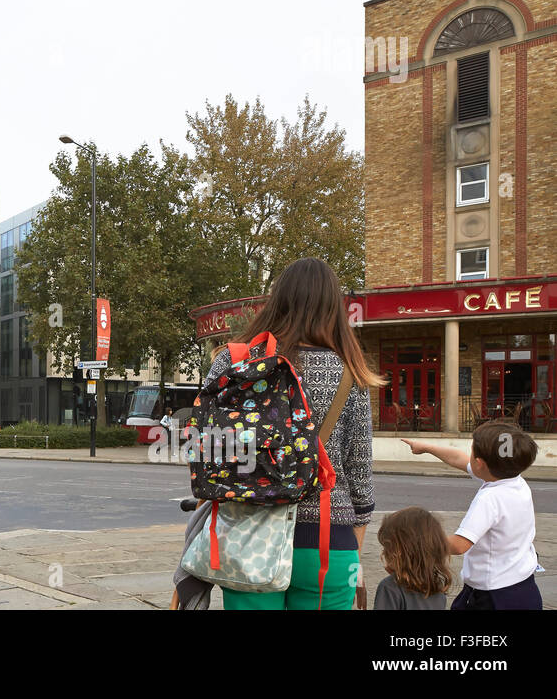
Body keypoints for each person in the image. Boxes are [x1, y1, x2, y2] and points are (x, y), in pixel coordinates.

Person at [206, 257, 383, 611]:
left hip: (247, 530)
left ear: (277, 301)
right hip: (327, 539)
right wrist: (353, 546)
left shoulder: (234, 362)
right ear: (334, 307)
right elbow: (359, 472)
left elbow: (209, 450)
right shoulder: (351, 372)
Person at [404, 421, 542, 610]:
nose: (468, 457)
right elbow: (459, 459)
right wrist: (426, 447)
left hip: (493, 595)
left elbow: (460, 545)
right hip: (523, 586)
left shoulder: (490, 498)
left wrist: (420, 541)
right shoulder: (515, 481)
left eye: (472, 453)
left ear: (480, 464)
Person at [372, 507, 451, 610]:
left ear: (399, 552)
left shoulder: (389, 587)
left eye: (386, 547)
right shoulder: (437, 585)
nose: (383, 553)